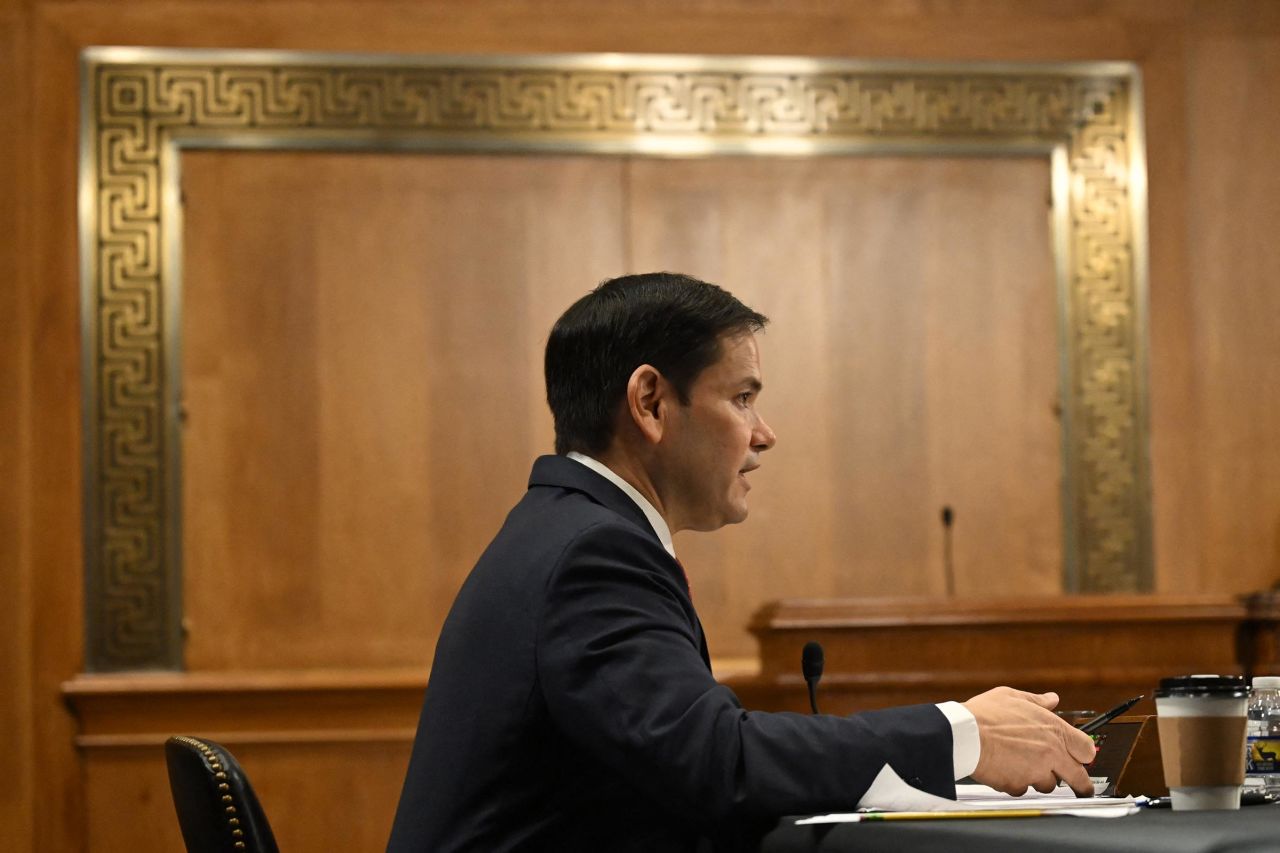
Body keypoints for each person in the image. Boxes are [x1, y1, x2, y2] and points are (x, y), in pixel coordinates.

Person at [387, 272, 1096, 852]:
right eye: (743, 397)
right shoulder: (591, 553)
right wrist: (960, 734)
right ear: (651, 402)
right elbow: (716, 762)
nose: (765, 434)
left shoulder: (566, 528)